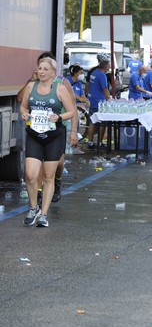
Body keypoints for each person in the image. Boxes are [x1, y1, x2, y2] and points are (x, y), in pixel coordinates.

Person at [20, 57, 76, 227]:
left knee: (48, 176)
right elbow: (23, 106)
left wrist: (59, 116)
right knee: (30, 175)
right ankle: (33, 208)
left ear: (53, 73)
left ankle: (44, 214)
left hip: (54, 136)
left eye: (45, 69)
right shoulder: (31, 87)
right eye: (39, 68)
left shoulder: (59, 89)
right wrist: (24, 113)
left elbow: (71, 111)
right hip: (34, 135)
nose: (41, 72)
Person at [85, 60, 111, 148]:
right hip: (99, 102)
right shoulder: (102, 75)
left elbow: (88, 85)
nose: (110, 67)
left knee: (92, 122)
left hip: (91, 99)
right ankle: (99, 143)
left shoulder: (94, 72)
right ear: (105, 67)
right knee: (102, 122)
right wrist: (110, 100)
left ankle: (90, 142)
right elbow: (105, 89)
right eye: (109, 66)